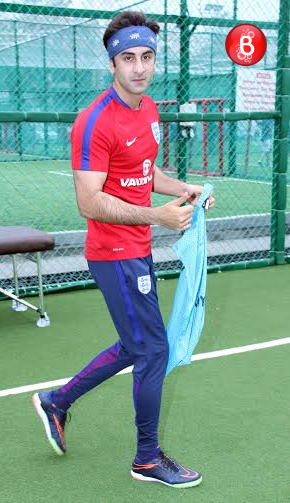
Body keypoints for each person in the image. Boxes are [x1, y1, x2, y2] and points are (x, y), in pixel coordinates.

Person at [32, 10, 214, 489]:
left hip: (139, 248)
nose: (139, 67)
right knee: (154, 349)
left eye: (147, 57)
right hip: (113, 253)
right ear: (112, 63)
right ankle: (147, 460)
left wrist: (185, 189)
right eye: (128, 58)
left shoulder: (149, 110)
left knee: (137, 344)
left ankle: (58, 400)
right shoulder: (94, 121)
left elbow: (145, 172)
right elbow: (89, 201)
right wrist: (159, 216)